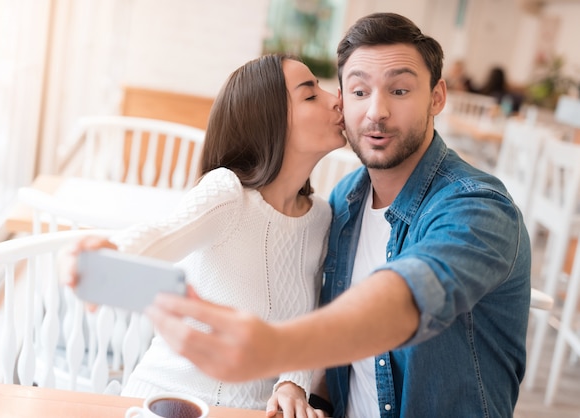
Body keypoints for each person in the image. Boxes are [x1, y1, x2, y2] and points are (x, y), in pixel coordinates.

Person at [141, 12, 532, 418]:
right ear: (343, 102)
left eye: (399, 91)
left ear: (437, 97)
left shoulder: (478, 207)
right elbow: (340, 347)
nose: (376, 111)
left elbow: (406, 299)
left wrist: (276, 347)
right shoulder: (345, 201)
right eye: (360, 92)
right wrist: (308, 397)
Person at [65, 53, 346, 418]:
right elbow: (160, 235)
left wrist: (292, 383)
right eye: (310, 95)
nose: (336, 98)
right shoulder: (228, 193)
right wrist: (106, 253)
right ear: (270, 122)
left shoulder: (322, 218)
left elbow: (304, 318)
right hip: (165, 401)